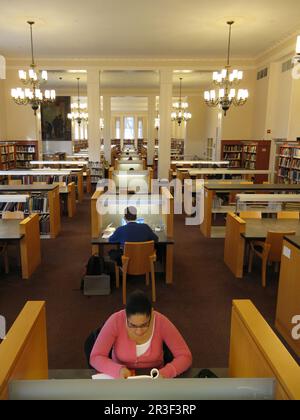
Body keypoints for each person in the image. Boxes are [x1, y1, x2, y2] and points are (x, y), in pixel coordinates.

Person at [90, 290, 192, 378]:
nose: (139, 331)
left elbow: (185, 356)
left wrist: (165, 373)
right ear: (125, 315)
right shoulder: (115, 321)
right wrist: (118, 370)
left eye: (144, 324)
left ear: (151, 313)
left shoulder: (161, 322)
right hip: (122, 379)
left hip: (154, 380)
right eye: (132, 325)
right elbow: (96, 357)